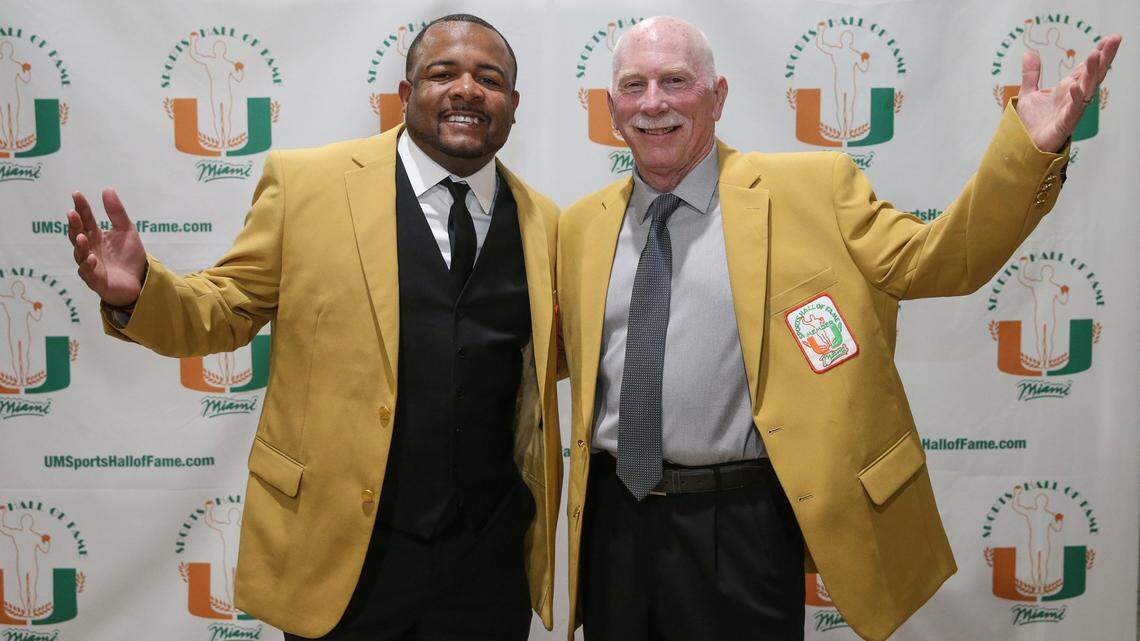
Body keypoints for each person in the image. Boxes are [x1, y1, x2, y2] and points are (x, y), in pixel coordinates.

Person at [555, 15, 1120, 641]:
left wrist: (1026, 154)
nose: (653, 103)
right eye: (633, 85)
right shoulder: (579, 228)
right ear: (612, 108)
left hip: (741, 524)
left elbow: (940, 260)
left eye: (675, 80)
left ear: (717, 97)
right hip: (613, 522)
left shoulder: (815, 189)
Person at [65, 14, 561, 641]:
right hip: (341, 557)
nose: (467, 90)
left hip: (486, 563)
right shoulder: (307, 184)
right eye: (444, 73)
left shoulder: (545, 223)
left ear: (513, 105)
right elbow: (226, 307)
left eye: (488, 79)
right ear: (405, 94)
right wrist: (141, 291)